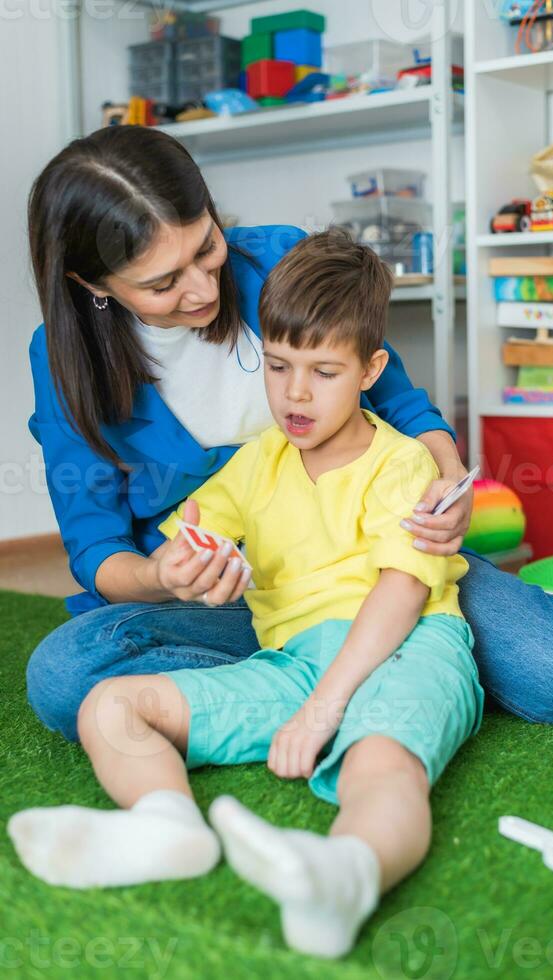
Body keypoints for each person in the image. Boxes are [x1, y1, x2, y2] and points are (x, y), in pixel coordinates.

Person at [24, 126, 553, 745]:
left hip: (376, 565)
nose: (202, 289)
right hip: (222, 605)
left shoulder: (284, 261)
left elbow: (402, 404)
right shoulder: (64, 361)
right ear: (92, 284)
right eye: (162, 283)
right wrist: (162, 578)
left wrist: (447, 480)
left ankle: (295, 687)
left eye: (207, 247)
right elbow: (96, 547)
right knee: (66, 676)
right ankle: (381, 681)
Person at [9, 232, 485, 960]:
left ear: (371, 370)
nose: (295, 393)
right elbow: (186, 536)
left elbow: (400, 592)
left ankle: (347, 874)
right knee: (108, 704)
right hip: (293, 660)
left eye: (324, 372)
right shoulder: (258, 460)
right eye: (278, 365)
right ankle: (169, 826)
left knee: (381, 766)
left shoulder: (403, 462)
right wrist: (188, 559)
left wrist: (327, 705)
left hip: (407, 644)